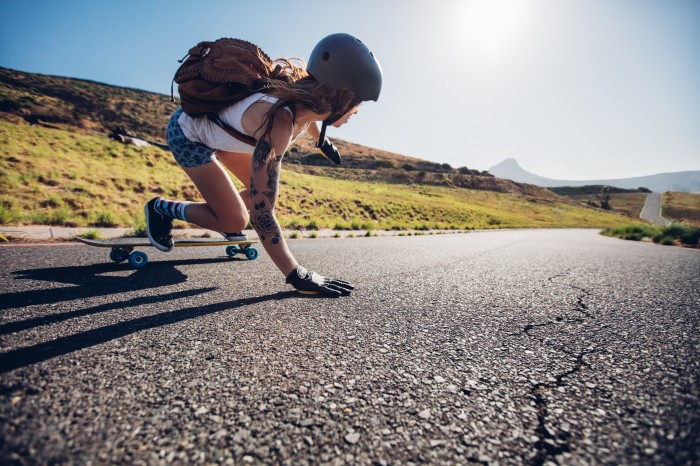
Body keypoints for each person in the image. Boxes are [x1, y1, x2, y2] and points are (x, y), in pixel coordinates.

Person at [145, 33, 382, 297]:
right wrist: (297, 274)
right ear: (342, 99)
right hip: (188, 136)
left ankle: (221, 207)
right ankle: (161, 209)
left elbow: (311, 121)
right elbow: (263, 213)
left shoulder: (305, 101)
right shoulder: (277, 123)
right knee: (237, 219)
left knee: (257, 193)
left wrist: (323, 143)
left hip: (222, 132)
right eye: (357, 106)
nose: (356, 113)